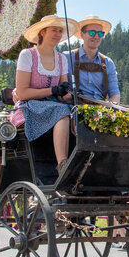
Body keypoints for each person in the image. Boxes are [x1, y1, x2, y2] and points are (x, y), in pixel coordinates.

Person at [14, 15, 79, 174]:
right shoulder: (27, 55)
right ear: (42, 32)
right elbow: (22, 93)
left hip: (54, 104)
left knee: (77, 114)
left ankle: (79, 162)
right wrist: (53, 90)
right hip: (29, 106)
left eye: (60, 31)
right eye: (53, 30)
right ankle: (62, 164)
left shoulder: (61, 58)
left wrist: (68, 93)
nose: (57, 34)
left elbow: (61, 95)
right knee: (62, 113)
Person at [66, 15, 121, 103]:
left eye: (100, 33)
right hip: (73, 109)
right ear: (82, 34)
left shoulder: (108, 63)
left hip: (100, 110)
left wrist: (111, 109)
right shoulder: (66, 58)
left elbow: (115, 94)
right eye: (92, 33)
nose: (96, 37)